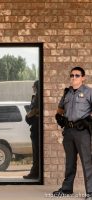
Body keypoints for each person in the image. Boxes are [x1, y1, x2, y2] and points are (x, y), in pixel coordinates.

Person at [53, 66, 92, 200]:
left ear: (83, 78)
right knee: (69, 162)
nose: (73, 78)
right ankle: (67, 188)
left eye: (76, 75)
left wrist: (88, 120)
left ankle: (90, 192)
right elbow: (60, 109)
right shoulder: (67, 93)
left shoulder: (88, 92)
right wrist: (59, 117)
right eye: (71, 75)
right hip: (68, 132)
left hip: (82, 132)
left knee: (87, 162)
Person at [23, 80, 40, 179]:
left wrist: (28, 115)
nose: (32, 88)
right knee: (36, 151)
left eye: (33, 86)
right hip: (35, 126)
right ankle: (35, 172)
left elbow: (36, 109)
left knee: (36, 151)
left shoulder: (38, 97)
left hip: (36, 126)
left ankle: (35, 173)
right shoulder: (36, 96)